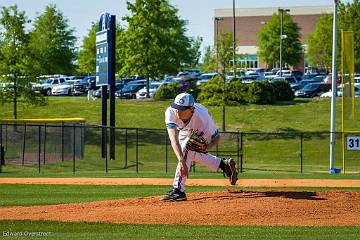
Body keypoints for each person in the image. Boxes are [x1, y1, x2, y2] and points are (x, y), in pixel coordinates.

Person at [161, 93, 238, 202]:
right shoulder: (170, 112)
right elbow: (173, 139)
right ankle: (223, 165)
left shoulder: (203, 119)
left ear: (191, 110)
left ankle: (179, 191)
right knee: (189, 151)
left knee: (188, 148)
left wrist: (206, 147)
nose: (178, 111)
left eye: (182, 109)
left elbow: (216, 138)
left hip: (199, 129)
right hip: (184, 131)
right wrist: (182, 161)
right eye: (177, 107)